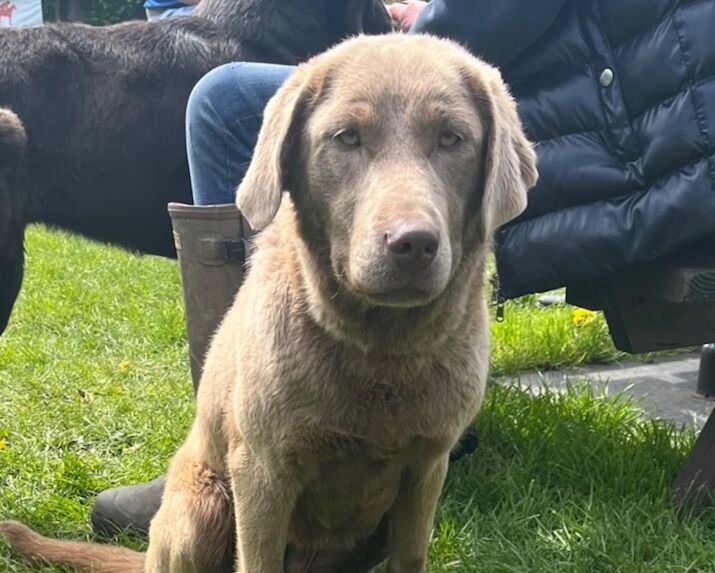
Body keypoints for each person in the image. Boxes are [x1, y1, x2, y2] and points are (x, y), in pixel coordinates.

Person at [92, 0, 715, 534]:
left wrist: (419, 28)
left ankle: (262, 431)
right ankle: (240, 439)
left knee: (226, 100)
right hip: (646, 119)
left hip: (627, 133)